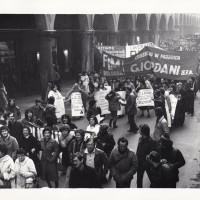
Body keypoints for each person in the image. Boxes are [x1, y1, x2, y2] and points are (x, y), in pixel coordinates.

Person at [136, 124, 157, 188]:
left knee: (152, 179)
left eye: (139, 129)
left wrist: (146, 163)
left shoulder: (152, 141)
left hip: (148, 164)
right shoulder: (140, 139)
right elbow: (138, 150)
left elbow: (153, 154)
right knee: (139, 180)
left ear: (143, 131)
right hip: (139, 163)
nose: (138, 130)